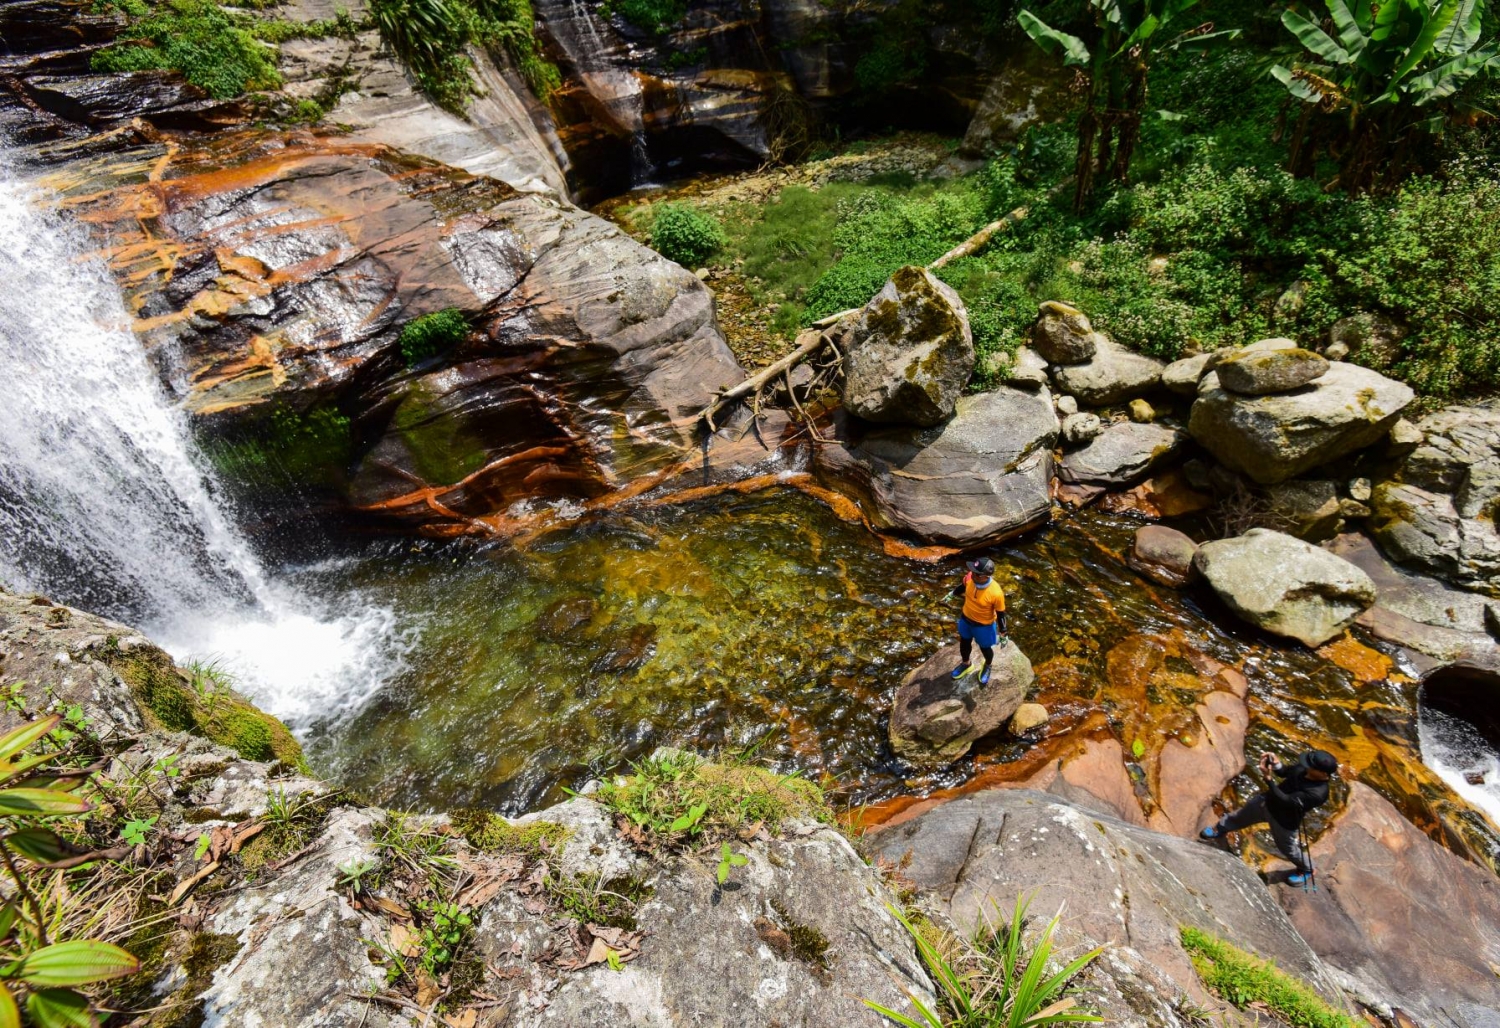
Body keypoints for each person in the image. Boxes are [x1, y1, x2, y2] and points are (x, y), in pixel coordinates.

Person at [1200, 748, 1338, 885]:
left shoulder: (1318, 793)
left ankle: (1307, 868)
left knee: (1287, 848)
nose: (1305, 766)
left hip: (1284, 819)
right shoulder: (1305, 768)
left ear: (1322, 773)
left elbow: (1286, 801)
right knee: (1240, 816)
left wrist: (1268, 779)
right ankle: (1220, 829)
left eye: (1310, 766)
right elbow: (1285, 772)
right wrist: (1276, 764)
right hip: (1266, 802)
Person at [949, 557, 1007, 687]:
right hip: (965, 619)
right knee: (964, 643)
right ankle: (966, 664)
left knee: (985, 648)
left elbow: (1001, 613)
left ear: (983, 576)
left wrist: (1003, 632)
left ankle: (988, 665)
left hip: (983, 626)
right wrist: (952, 593)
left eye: (974, 572)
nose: (970, 572)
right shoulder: (970, 578)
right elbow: (963, 586)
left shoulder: (995, 593)